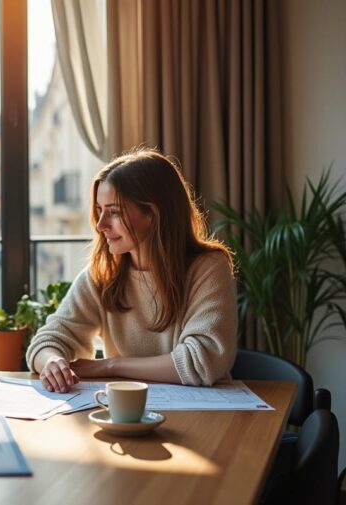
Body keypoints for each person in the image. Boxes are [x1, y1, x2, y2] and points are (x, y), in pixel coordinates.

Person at [26, 148, 237, 393]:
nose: (101, 224)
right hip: (126, 414)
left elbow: (202, 362)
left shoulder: (208, 268)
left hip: (207, 415)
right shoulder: (104, 273)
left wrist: (111, 366)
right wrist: (52, 361)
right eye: (100, 210)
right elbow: (46, 341)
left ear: (153, 214)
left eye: (114, 212)